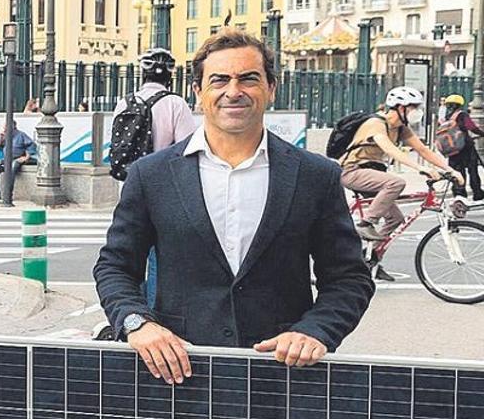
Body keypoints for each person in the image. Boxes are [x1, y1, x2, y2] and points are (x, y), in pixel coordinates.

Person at [93, 28, 374, 384]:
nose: (233, 91)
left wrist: (316, 331)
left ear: (271, 88)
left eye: (249, 79)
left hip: (283, 374)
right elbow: (115, 266)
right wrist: (137, 323)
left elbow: (349, 278)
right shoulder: (152, 175)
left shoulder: (315, 176)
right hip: (178, 373)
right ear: (198, 92)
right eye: (219, 80)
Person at [111, 48, 198, 303]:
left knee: (129, 251)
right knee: (158, 254)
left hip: (127, 186)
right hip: (163, 189)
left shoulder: (124, 102)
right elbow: (187, 151)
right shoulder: (175, 104)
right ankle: (153, 310)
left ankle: (131, 307)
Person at [340, 86, 462, 244]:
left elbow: (423, 150)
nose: (417, 111)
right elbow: (390, 149)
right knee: (395, 183)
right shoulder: (375, 123)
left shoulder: (401, 128)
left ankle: (369, 260)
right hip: (352, 172)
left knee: (396, 219)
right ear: (401, 107)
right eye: (414, 107)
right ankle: (366, 223)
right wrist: (420, 168)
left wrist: (450, 170)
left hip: (372, 174)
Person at [438, 94, 484, 200]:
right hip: (465, 147)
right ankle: (477, 193)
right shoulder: (462, 115)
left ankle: (459, 193)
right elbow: (471, 127)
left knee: (457, 171)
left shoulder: (446, 118)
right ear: (460, 105)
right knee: (472, 170)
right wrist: (482, 133)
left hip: (452, 150)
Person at [0, 121, 38, 201]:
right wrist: (1, 137)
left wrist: (26, 157)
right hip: (6, 160)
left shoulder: (21, 135)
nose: (5, 128)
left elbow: (31, 145)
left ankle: (8, 194)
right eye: (4, 127)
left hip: (17, 159)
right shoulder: (6, 136)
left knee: (12, 169)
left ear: (13, 126)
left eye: (6, 126)